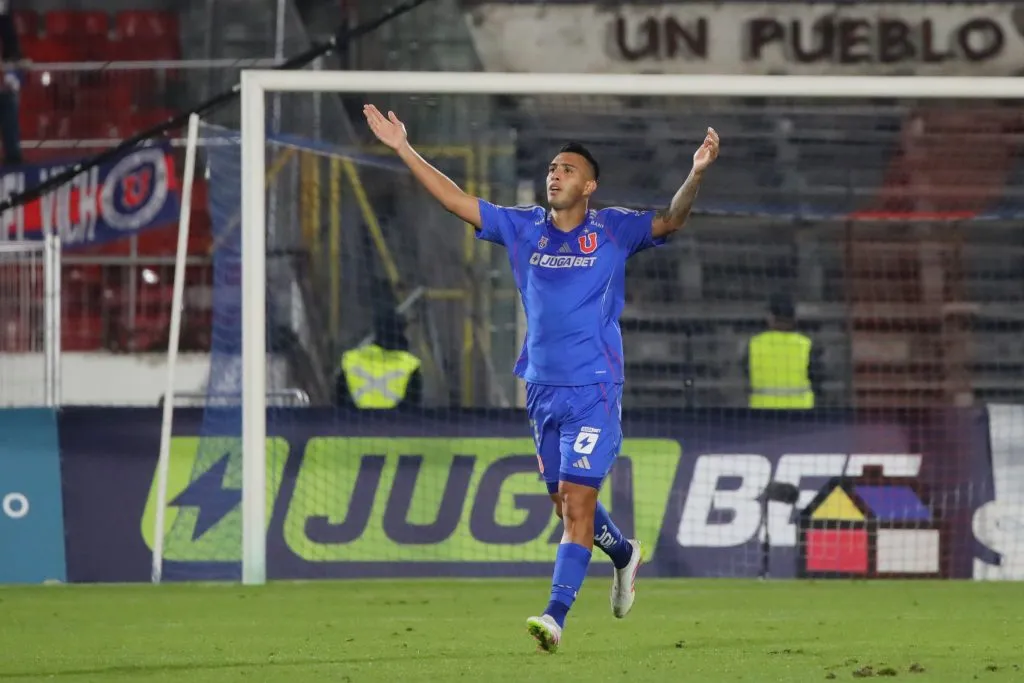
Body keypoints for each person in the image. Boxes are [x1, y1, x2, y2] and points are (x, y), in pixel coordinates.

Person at [363, 104, 719, 652]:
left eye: (568, 169)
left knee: (576, 505)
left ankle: (555, 616)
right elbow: (458, 201)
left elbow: (671, 219)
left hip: (594, 389)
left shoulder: (614, 229)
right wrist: (404, 149)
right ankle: (623, 553)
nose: (556, 174)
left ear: (589, 185)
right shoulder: (523, 226)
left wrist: (694, 174)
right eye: (553, 168)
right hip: (540, 389)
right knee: (561, 499)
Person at [743, 292, 823, 409]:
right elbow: (817, 378)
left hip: (763, 414)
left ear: (770, 317)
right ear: (794, 318)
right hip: (800, 415)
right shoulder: (807, 345)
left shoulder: (754, 344)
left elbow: (746, 372)